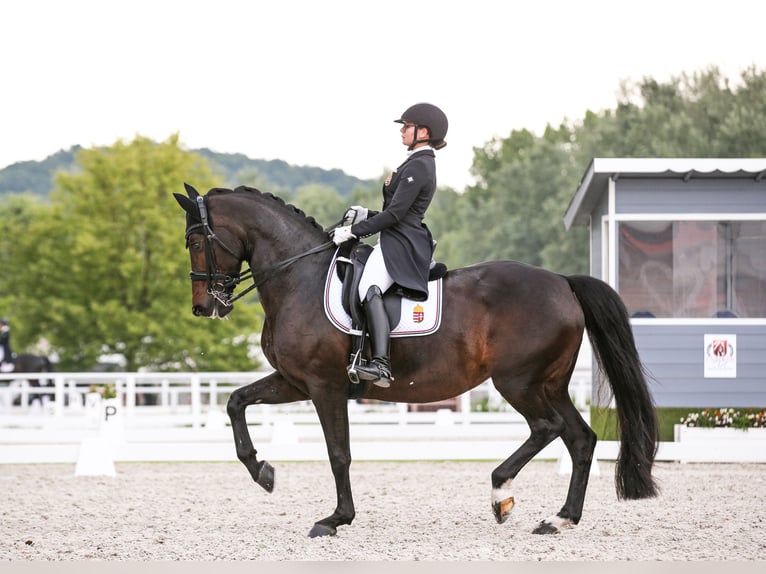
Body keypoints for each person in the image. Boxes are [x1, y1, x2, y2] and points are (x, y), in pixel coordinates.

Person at [332, 102, 448, 388]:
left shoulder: (420, 166)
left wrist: (353, 232)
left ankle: (381, 364)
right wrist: (366, 214)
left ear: (423, 132)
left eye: (406, 127)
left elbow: (396, 216)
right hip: (396, 235)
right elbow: (396, 211)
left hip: (402, 242)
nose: (402, 132)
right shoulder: (413, 163)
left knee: (368, 288)